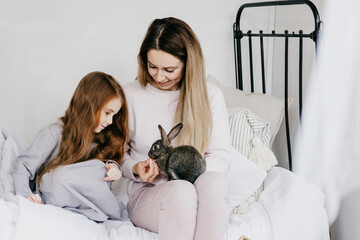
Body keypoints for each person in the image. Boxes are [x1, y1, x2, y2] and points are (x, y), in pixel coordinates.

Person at [121, 17, 231, 240]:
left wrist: (189, 172)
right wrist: (135, 168)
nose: (159, 76)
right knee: (181, 192)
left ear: (188, 65)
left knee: (215, 182)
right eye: (152, 66)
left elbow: (221, 158)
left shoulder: (211, 96)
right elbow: (115, 156)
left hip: (197, 189)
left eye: (169, 69)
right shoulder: (129, 94)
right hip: (149, 194)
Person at [13, 71, 129, 222]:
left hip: (85, 201)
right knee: (55, 178)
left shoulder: (101, 138)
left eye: (114, 115)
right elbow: (23, 165)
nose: (110, 121)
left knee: (98, 167)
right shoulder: (54, 133)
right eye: (107, 113)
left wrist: (113, 167)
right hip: (55, 195)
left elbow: (94, 177)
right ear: (89, 105)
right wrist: (24, 194)